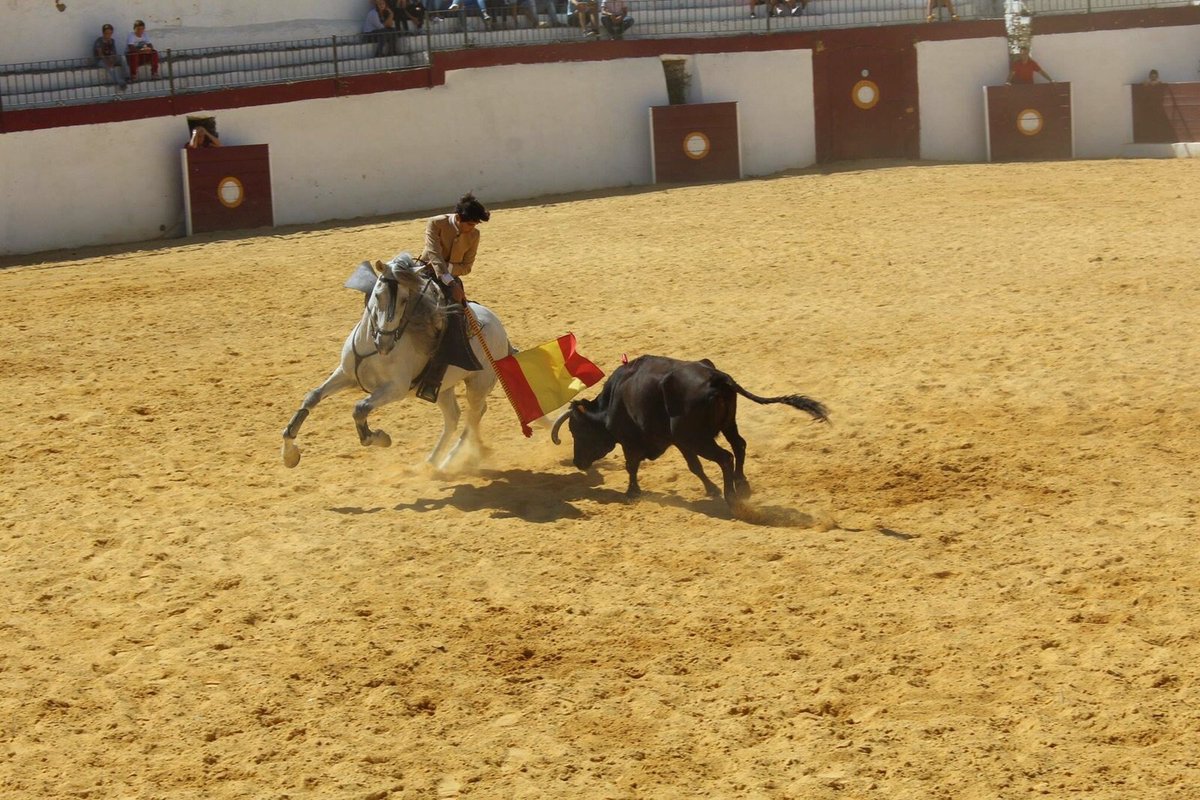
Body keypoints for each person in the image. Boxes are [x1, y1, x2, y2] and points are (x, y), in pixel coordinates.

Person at [412, 193, 491, 401]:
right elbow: (434, 255)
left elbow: (467, 267)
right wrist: (448, 278)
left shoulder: (474, 235)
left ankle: (434, 380)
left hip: (452, 282)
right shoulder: (436, 223)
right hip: (424, 272)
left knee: (454, 323)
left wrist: (451, 277)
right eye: (469, 225)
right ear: (458, 218)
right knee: (390, 295)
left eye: (474, 225)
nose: (471, 229)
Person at [93, 23, 128, 89]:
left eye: (110, 33)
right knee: (110, 67)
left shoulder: (112, 41)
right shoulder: (99, 41)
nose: (108, 35)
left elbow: (114, 53)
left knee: (122, 58)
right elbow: (100, 54)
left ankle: (127, 76)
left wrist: (112, 60)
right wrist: (108, 62)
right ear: (103, 33)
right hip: (100, 60)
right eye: (106, 33)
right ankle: (121, 83)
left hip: (110, 58)